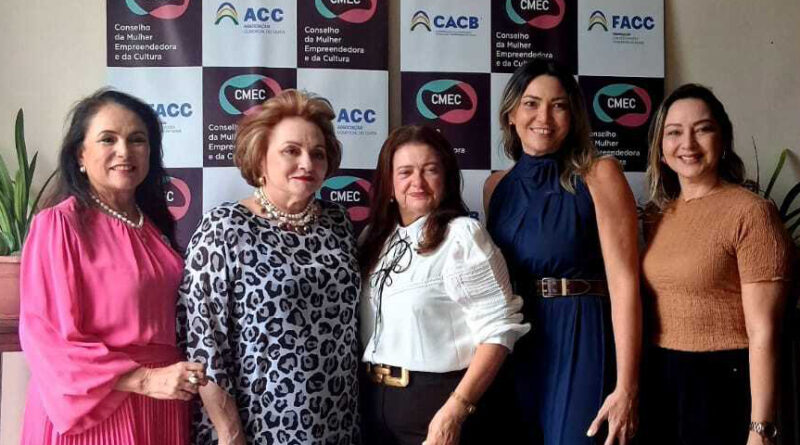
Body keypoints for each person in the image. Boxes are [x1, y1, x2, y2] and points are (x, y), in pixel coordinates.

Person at [19, 89, 206, 445]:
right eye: (108, 139)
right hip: (98, 409)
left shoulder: (152, 226)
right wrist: (145, 380)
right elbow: (48, 337)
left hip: (161, 403)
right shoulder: (59, 225)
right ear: (80, 154)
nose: (124, 151)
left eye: (137, 139)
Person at [178, 89, 361, 444]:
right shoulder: (225, 227)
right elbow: (204, 343)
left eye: (317, 153)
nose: (307, 163)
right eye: (291, 151)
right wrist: (229, 433)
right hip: (256, 427)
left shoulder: (338, 224)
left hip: (338, 423)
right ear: (260, 158)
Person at [483, 60, 641, 444]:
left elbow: (625, 283)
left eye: (558, 105)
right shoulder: (495, 187)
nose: (544, 117)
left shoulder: (600, 174)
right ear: (511, 114)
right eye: (531, 103)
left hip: (581, 331)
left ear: (573, 116)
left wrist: (627, 387)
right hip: (517, 338)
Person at [638, 84, 794, 445]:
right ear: (660, 148)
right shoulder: (657, 215)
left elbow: (764, 331)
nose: (688, 143)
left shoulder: (752, 213)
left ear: (722, 140)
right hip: (662, 379)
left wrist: (762, 428)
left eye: (703, 129)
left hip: (723, 382)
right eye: (674, 132)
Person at [358, 125, 530, 445]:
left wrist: (454, 411)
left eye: (430, 170)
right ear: (389, 184)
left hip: (437, 406)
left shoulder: (463, 236)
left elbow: (499, 330)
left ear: (446, 178)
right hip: (373, 405)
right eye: (405, 172)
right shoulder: (373, 238)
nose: (418, 182)